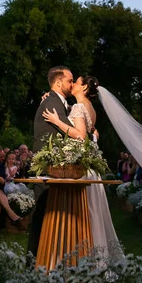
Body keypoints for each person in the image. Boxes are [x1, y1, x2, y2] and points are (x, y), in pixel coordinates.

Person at [43, 75, 124, 262]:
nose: (72, 85)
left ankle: (83, 259)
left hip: (81, 170)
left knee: (81, 214)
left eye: (76, 82)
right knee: (92, 213)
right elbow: (90, 133)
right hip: (90, 169)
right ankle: (95, 258)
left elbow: (80, 135)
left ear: (85, 87)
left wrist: (56, 121)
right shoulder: (90, 108)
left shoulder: (79, 107)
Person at [27, 66, 75, 260]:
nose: (72, 84)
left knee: (48, 218)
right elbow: (73, 132)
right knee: (40, 219)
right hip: (47, 169)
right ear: (58, 82)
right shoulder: (52, 102)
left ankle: (48, 261)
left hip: (54, 169)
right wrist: (91, 134)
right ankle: (33, 264)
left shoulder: (56, 102)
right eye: (70, 81)